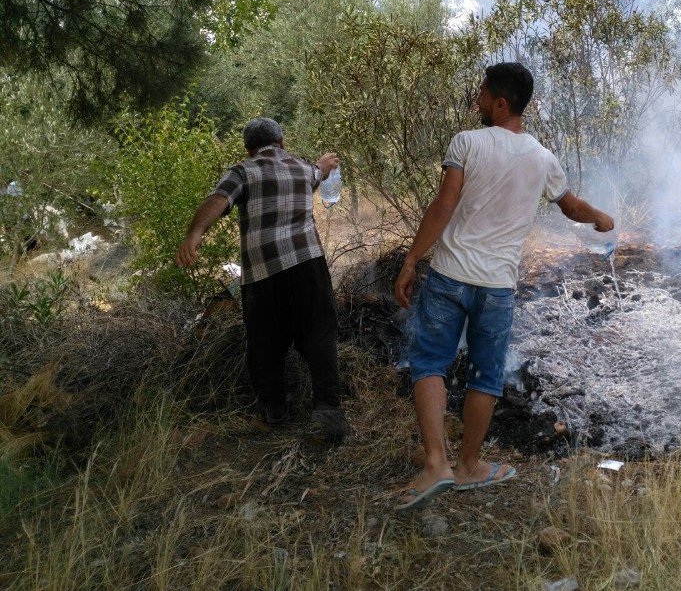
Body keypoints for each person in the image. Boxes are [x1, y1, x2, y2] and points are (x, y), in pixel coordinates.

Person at [392, 62, 614, 511]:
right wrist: (600, 218)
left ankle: (437, 463)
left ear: (500, 103)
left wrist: (412, 259)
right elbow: (570, 207)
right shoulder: (542, 157)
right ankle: (470, 465)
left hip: (450, 276)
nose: (476, 102)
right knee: (486, 375)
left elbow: (444, 204)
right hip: (497, 287)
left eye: (481, 95)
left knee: (430, 362)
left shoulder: (467, 142)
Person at [175, 117, 348, 443]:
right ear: (281, 142)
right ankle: (328, 411)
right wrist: (325, 165)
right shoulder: (300, 166)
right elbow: (318, 173)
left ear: (248, 148)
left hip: (263, 275)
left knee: (264, 346)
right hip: (308, 265)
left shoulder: (243, 171)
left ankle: (275, 411)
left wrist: (194, 234)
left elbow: (218, 200)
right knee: (319, 337)